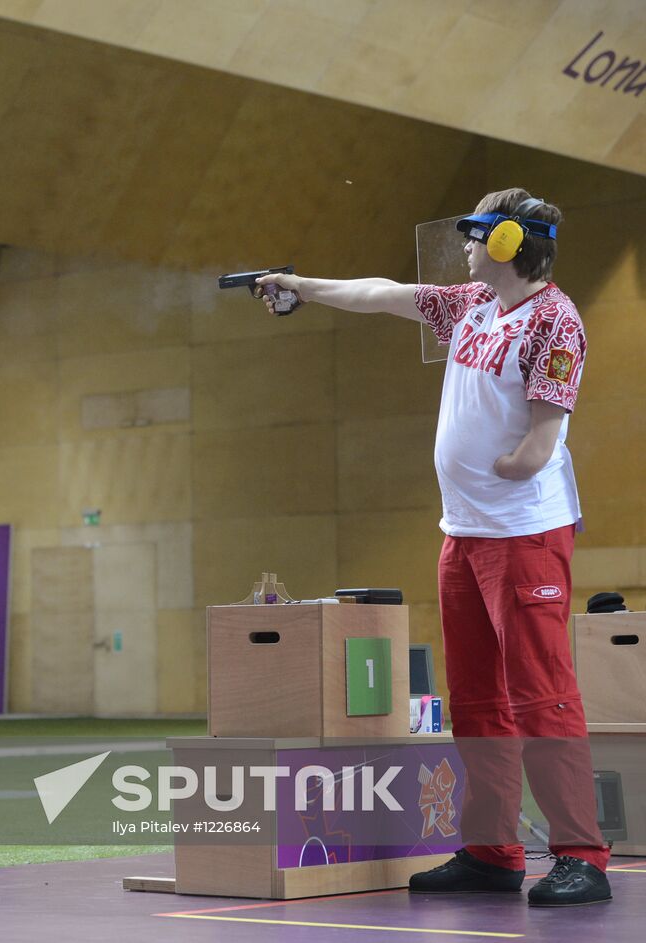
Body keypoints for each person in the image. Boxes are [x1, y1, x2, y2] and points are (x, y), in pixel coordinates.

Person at [254, 188, 610, 907]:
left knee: (541, 694)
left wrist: (514, 464)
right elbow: (385, 295)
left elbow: (544, 435)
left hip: (523, 538)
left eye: (478, 234)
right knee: (475, 699)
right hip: (465, 537)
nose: (468, 247)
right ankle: (492, 848)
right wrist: (304, 286)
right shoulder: (473, 306)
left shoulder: (554, 321)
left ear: (509, 242)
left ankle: (581, 854)